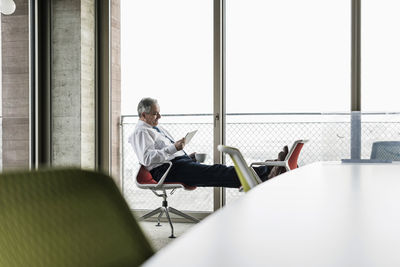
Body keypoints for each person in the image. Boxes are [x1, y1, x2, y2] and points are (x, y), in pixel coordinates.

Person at [129, 97, 288, 188]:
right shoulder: (141, 132)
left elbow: (164, 153)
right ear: (143, 115)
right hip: (167, 171)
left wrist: (184, 155)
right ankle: (266, 173)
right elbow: (147, 159)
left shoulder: (155, 128)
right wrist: (174, 148)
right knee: (217, 172)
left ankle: (268, 168)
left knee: (217, 171)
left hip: (176, 164)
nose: (159, 117)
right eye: (155, 114)